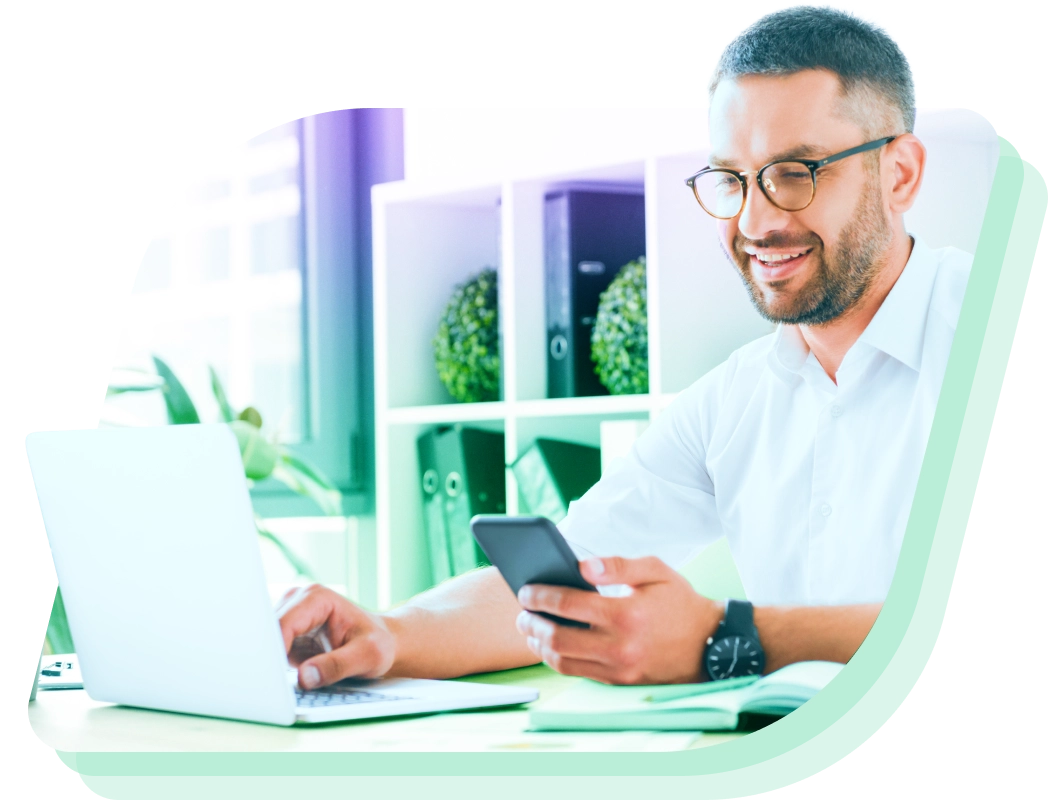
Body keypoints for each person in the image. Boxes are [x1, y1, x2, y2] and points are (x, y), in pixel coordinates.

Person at [280, 2, 972, 689]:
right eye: (732, 179)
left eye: (796, 173)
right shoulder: (733, 401)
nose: (755, 220)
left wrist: (723, 639)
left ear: (900, 174)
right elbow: (568, 579)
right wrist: (390, 633)